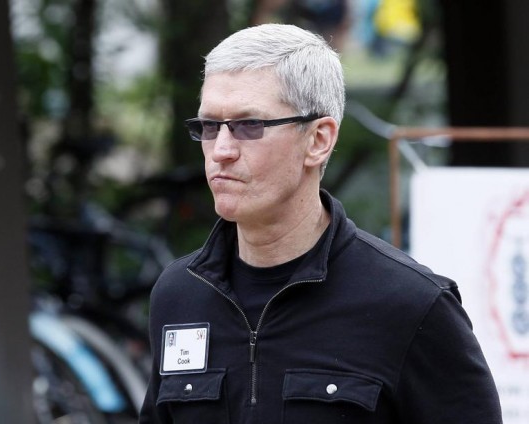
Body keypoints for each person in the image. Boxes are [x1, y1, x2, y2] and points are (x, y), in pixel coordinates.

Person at [139, 23, 502, 424]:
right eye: (209, 126)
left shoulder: (412, 305)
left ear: (318, 140)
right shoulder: (179, 295)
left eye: (248, 125)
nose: (221, 150)